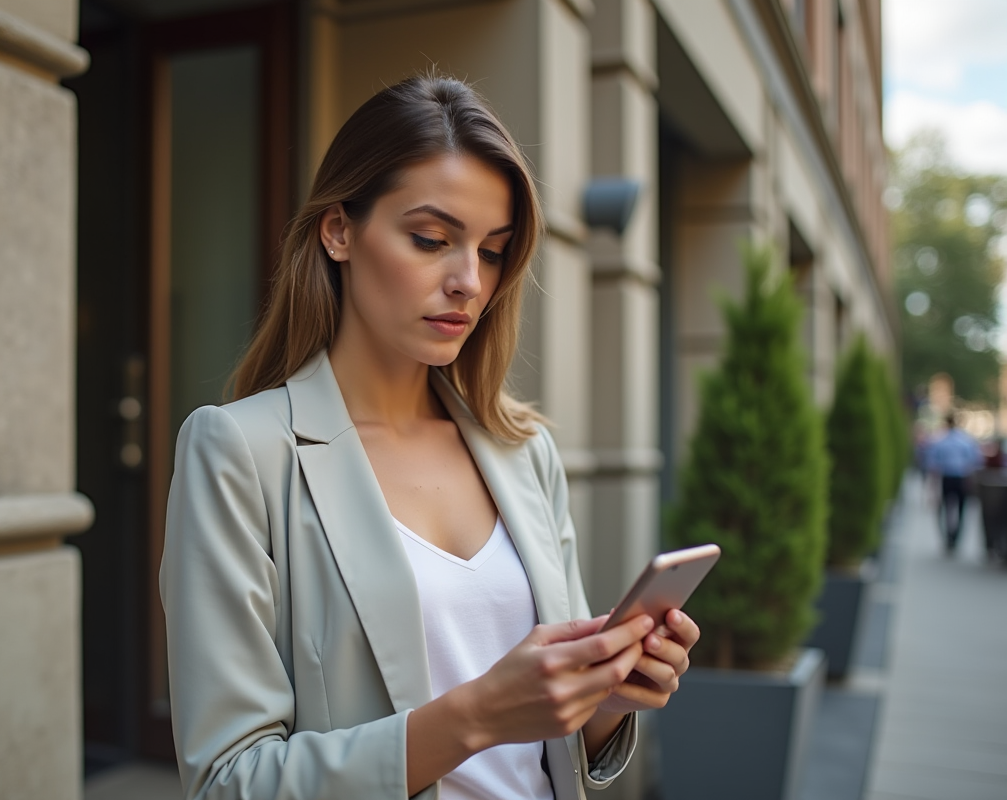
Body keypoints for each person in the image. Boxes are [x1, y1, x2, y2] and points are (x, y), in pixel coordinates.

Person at [159, 75, 700, 800]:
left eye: (493, 250)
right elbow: (229, 782)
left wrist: (605, 700)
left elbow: (553, 750)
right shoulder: (240, 454)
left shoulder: (523, 454)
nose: (469, 281)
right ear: (339, 230)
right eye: (431, 239)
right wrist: (471, 718)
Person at [926, 413, 984, 553]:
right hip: (962, 478)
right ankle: (956, 537)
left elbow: (933, 465)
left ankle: (948, 537)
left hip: (947, 478)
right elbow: (976, 462)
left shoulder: (940, 441)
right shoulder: (966, 440)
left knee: (946, 508)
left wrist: (933, 487)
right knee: (961, 509)